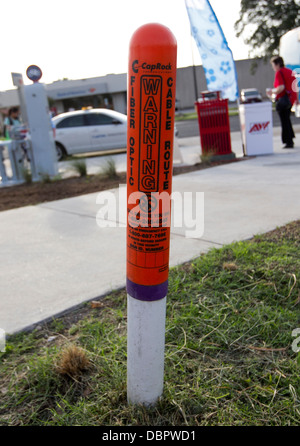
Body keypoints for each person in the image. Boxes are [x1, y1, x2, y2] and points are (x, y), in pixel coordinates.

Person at [267, 56, 298, 149]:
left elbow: (281, 87)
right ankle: (290, 139)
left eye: (273, 65)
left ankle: (288, 141)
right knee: (287, 120)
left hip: (283, 100)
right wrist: (296, 99)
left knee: (284, 120)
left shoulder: (279, 73)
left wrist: (272, 92)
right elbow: (294, 86)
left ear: (277, 64)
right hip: (291, 99)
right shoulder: (290, 71)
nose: (273, 67)